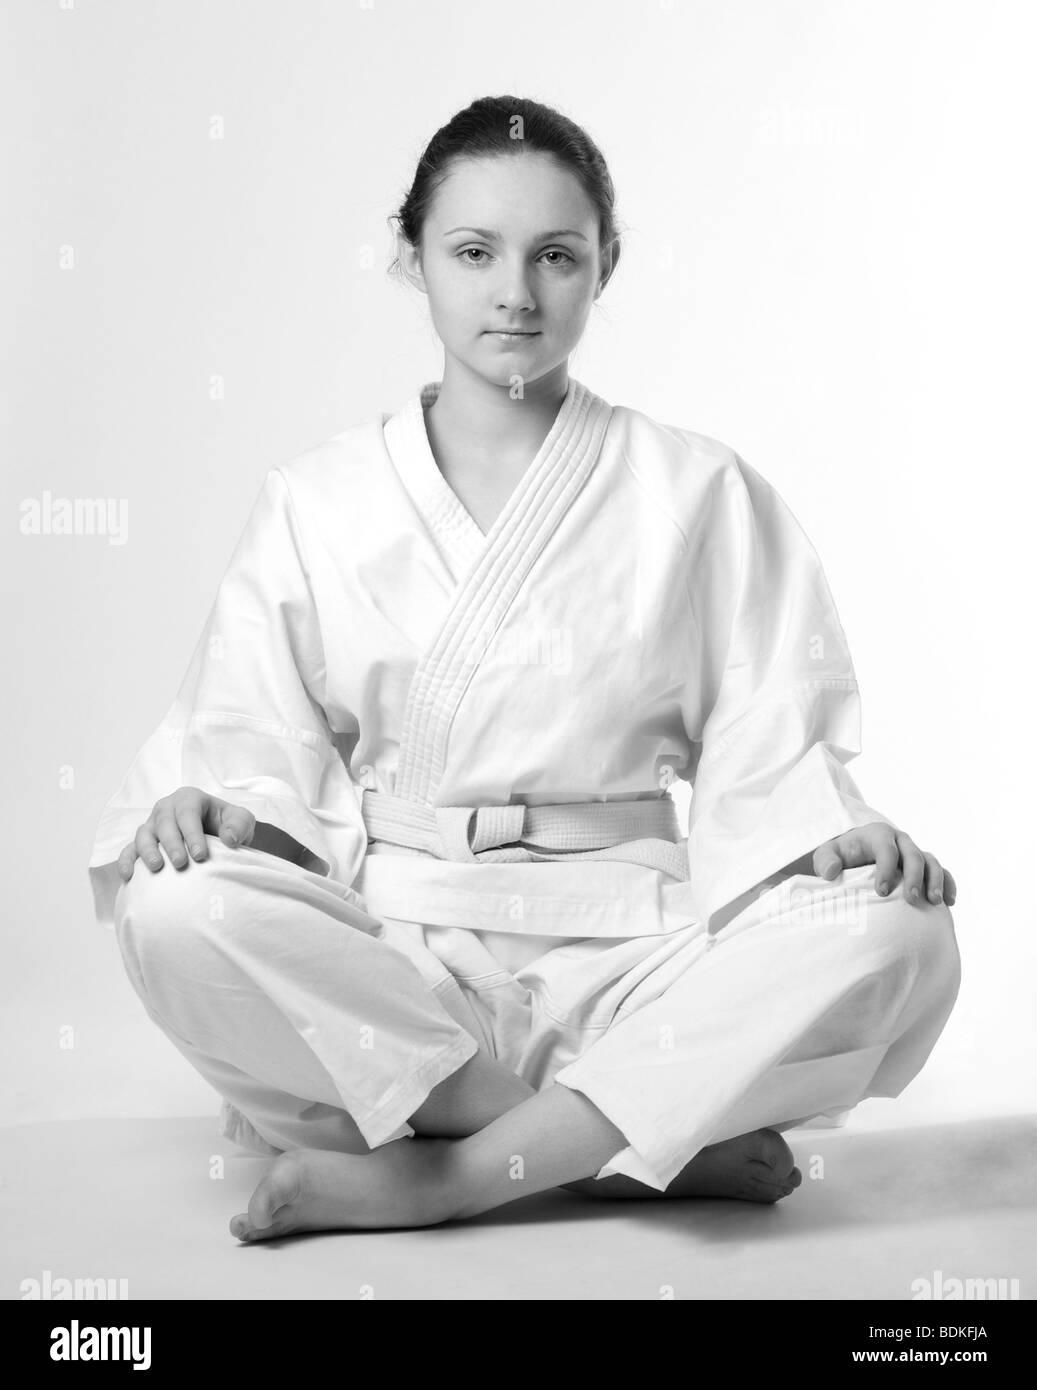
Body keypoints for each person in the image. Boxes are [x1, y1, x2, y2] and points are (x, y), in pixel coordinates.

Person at [88, 95, 960, 1242]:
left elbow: (767, 745)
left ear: (604, 266)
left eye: (556, 255)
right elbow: (253, 741)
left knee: (895, 928)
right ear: (411, 259)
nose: (515, 292)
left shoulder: (695, 488)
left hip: (635, 948)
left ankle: (444, 1177)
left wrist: (825, 836)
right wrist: (222, 810)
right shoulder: (317, 499)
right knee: (172, 905)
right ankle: (605, 1147)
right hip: (399, 962)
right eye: (473, 251)